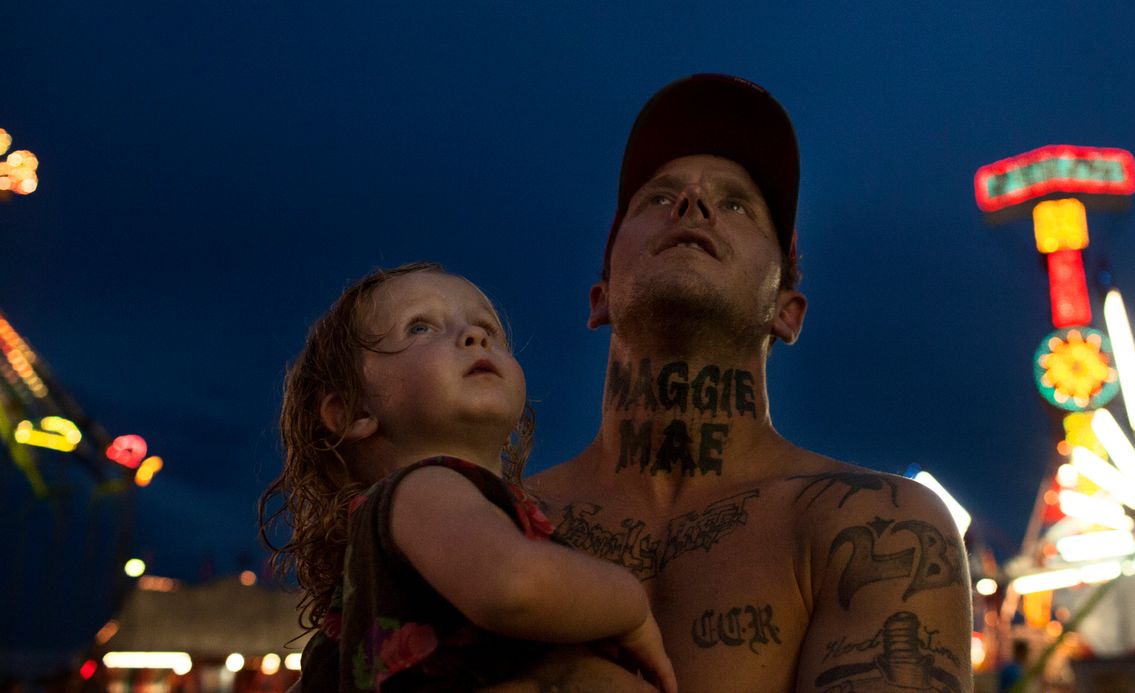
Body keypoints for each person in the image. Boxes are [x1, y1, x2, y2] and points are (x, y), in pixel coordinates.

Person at [520, 74, 974, 692]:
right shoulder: (497, 524)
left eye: (736, 203)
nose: (692, 205)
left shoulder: (875, 528)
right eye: (657, 198)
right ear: (600, 299)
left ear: (788, 311)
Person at [259, 262, 677, 693]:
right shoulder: (421, 487)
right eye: (420, 327)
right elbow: (515, 586)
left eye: (488, 330)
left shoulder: (431, 531)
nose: (474, 337)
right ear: (353, 412)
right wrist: (630, 603)